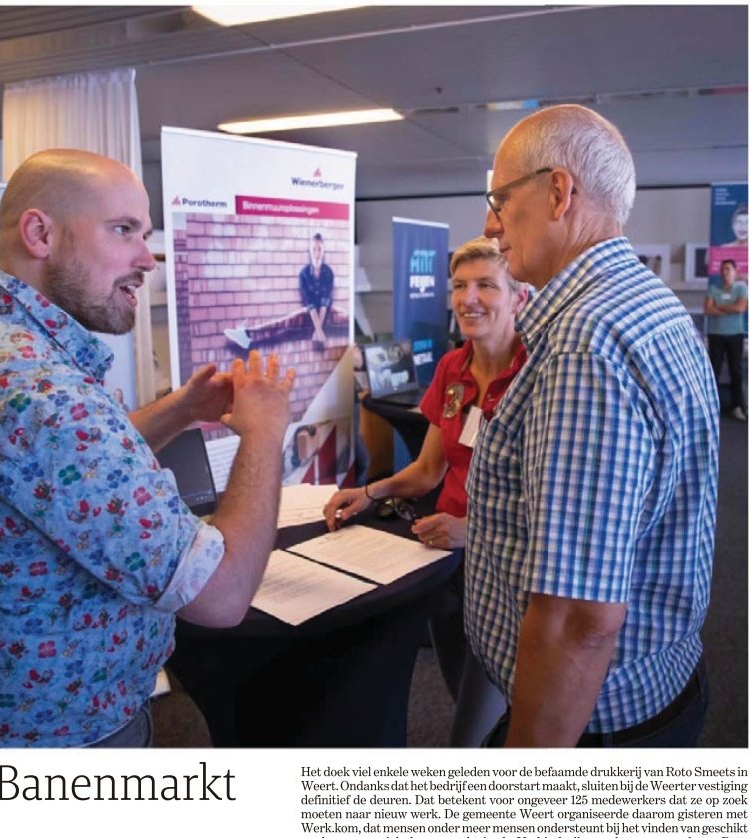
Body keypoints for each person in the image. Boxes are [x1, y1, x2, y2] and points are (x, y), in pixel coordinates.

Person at [0, 148, 295, 748]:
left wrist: (181, 411)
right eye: (123, 230)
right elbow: (221, 595)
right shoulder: (45, 392)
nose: (146, 259)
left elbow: (61, 480)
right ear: (39, 233)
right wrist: (264, 433)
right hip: (69, 740)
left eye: (146, 233)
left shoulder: (16, 357)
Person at [469, 104, 719, 748]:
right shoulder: (648, 300)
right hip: (651, 690)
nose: (490, 223)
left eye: (500, 198)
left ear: (558, 192)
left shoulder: (586, 343)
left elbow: (579, 614)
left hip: (591, 724)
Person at [323, 237, 528, 746]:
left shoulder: (538, 374)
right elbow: (429, 469)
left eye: (486, 285)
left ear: (518, 298)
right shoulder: (452, 369)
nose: (469, 298)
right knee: (464, 687)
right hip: (449, 560)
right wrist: (372, 490)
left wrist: (473, 530)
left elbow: (556, 497)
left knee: (508, 709)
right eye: (460, 285)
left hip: (511, 565)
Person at [705, 258, 748, 421]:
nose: (725, 272)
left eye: (728, 269)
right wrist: (730, 308)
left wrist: (719, 307)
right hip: (716, 334)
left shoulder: (741, 288)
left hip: (735, 334)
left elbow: (741, 308)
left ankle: (737, 406)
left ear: (735, 272)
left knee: (736, 371)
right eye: (723, 269)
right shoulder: (713, 288)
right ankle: (710, 406)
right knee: (713, 370)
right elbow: (708, 309)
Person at [300, 232, 334, 350]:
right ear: (310, 251)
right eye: (314, 249)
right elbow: (309, 303)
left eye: (319, 249)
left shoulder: (328, 272)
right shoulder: (303, 274)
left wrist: (318, 332)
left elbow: (325, 301)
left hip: (324, 312)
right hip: (311, 313)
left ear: (323, 251)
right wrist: (319, 332)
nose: (317, 253)